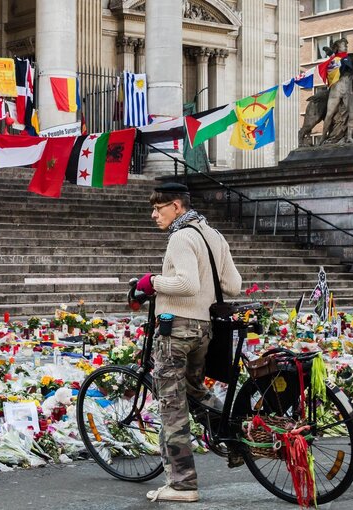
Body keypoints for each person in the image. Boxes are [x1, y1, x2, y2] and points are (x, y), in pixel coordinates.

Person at [135, 182, 242, 503]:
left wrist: (151, 282)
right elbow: (234, 285)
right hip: (204, 330)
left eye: (159, 208)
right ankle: (235, 439)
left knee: (172, 404)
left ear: (177, 207)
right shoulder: (213, 235)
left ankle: (182, 484)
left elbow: (186, 283)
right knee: (196, 390)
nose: (154, 214)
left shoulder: (181, 237)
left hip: (176, 330)